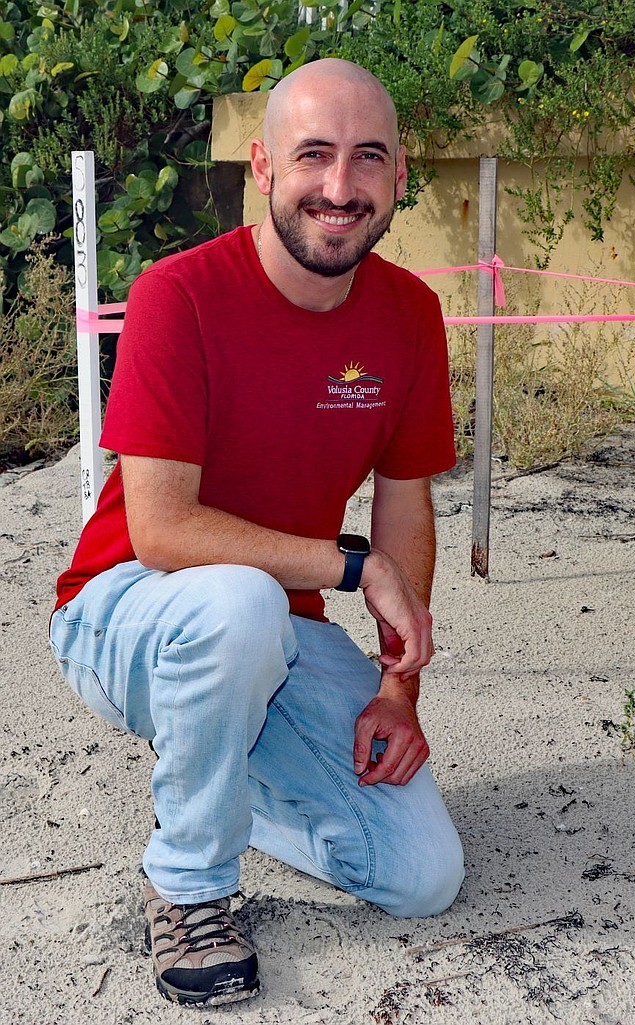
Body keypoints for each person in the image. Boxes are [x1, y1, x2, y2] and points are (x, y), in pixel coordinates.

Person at [49, 58, 464, 1007]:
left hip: (271, 633)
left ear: (400, 176)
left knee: (421, 875)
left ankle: (224, 773)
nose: (340, 187)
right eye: (313, 156)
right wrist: (350, 568)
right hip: (125, 612)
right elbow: (159, 530)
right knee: (238, 603)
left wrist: (399, 689)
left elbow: (407, 508)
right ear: (263, 168)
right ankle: (188, 881)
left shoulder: (410, 316)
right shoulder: (177, 294)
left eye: (368, 159)